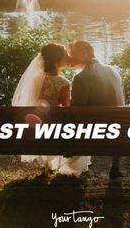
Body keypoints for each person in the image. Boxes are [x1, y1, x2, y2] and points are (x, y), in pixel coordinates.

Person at [12, 43, 91, 175]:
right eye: (65, 54)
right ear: (57, 60)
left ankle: (48, 165)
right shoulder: (63, 83)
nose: (67, 56)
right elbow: (67, 111)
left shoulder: (35, 80)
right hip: (54, 134)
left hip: (35, 132)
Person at [68, 40, 125, 179]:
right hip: (117, 132)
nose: (70, 58)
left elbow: (76, 111)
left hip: (95, 134)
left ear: (84, 53)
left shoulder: (81, 77)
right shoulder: (113, 71)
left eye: (72, 54)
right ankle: (115, 166)